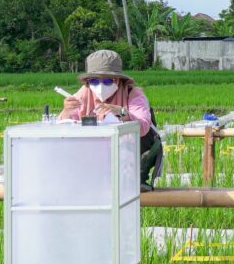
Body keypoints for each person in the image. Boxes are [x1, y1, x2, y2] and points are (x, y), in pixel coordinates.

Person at [58, 50, 163, 192]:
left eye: (108, 81)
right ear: (88, 82)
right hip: (95, 157)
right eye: (94, 81)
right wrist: (67, 111)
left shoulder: (133, 94)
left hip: (131, 154)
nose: (100, 86)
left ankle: (134, 178)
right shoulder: (84, 93)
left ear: (118, 80)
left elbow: (143, 126)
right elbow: (63, 127)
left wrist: (122, 113)